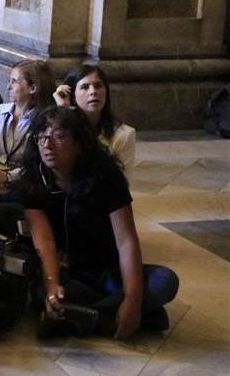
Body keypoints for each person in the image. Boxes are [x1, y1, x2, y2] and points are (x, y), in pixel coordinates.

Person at [21, 107, 177, 338]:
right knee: (39, 290)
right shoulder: (34, 179)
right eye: (41, 137)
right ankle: (133, 316)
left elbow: (126, 241)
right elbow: (44, 241)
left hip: (108, 273)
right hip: (70, 274)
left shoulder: (105, 176)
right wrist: (52, 285)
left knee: (165, 281)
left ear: (79, 143)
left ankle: (81, 319)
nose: (47, 144)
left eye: (59, 136)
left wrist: (132, 301)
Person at [0, 59, 54, 236]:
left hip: (23, 184)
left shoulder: (45, 121)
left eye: (14, 81)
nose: (8, 87)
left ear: (33, 88)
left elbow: (39, 166)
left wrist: (7, 177)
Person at [53, 64, 136, 177]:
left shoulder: (124, 135)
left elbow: (120, 182)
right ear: (72, 95)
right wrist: (63, 112)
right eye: (85, 87)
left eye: (98, 86)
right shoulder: (60, 127)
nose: (93, 92)